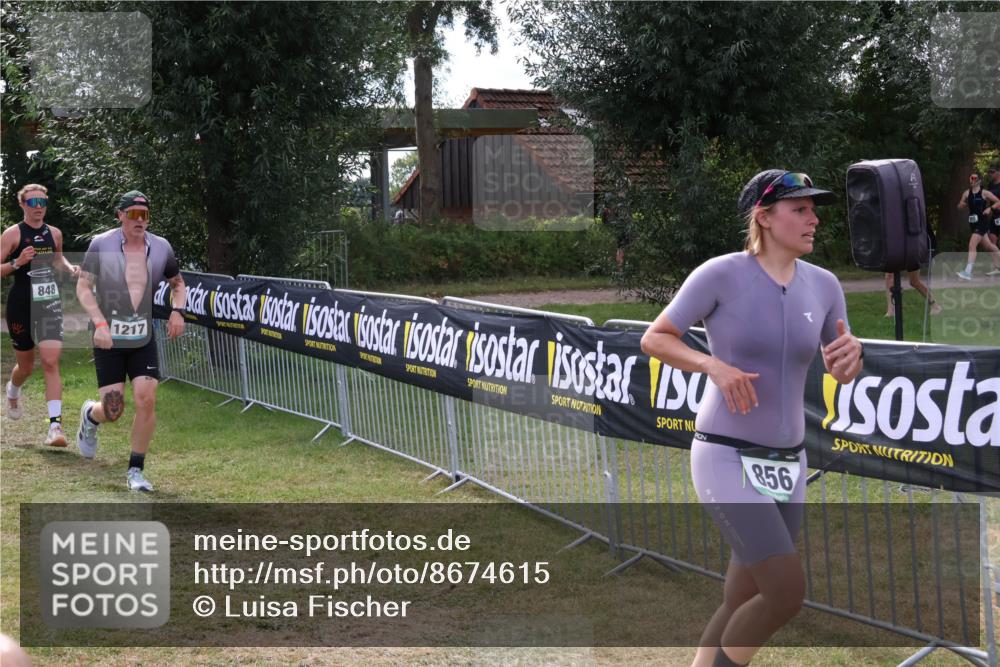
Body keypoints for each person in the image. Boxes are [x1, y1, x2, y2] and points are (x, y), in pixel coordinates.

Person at [640, 170, 863, 667]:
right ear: (764, 217)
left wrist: (851, 361)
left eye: (813, 209)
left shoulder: (825, 285)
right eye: (799, 209)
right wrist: (711, 365)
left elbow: (840, 362)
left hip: (790, 462)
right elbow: (656, 337)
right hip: (726, 454)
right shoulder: (720, 274)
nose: (814, 219)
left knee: (742, 598)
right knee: (786, 593)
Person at [75, 191, 186, 492]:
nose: (140, 220)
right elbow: (83, 286)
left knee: (147, 398)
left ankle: (136, 470)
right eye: (134, 214)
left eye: (145, 215)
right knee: (113, 410)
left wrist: (177, 311)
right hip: (108, 337)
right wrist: (99, 324)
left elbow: (178, 284)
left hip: (142, 337)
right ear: (120, 215)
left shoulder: (161, 247)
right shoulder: (101, 244)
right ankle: (90, 415)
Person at [1, 183, 80, 447]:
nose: (39, 208)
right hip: (21, 303)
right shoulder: (12, 234)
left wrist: (71, 268)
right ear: (22, 205)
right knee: (26, 365)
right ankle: (13, 390)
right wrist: (17, 262)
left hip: (48, 301)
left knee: (50, 362)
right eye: (33, 203)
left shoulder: (54, 233)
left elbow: (58, 259)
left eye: (42, 203)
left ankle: (55, 428)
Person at [884, 224, 941, 316]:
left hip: (914, 245)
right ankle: (891, 311)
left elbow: (925, 230)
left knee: (914, 281)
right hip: (899, 244)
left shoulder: (915, 211)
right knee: (889, 276)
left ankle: (935, 305)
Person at [955, 170, 1000, 280]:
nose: (972, 180)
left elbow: (998, 201)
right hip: (973, 224)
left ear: (979, 180)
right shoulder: (966, 193)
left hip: (982, 223)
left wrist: (990, 208)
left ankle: (967, 272)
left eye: (974, 178)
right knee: (989, 247)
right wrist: (961, 205)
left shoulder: (985, 193)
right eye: (971, 178)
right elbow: (959, 206)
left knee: (972, 245)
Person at [985, 164, 1000, 247]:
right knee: (991, 242)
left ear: (998, 172)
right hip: (994, 216)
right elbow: (988, 200)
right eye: (989, 172)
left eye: (992, 172)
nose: (990, 174)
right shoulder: (990, 185)